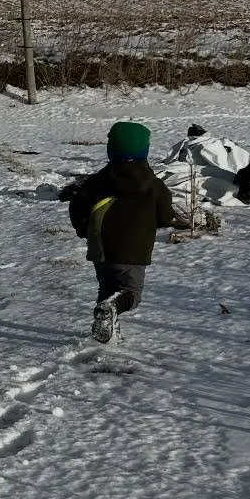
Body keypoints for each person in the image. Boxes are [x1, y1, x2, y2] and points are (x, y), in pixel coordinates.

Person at [62, 120, 182, 344]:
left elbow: (77, 206)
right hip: (133, 251)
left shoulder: (97, 181)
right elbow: (166, 217)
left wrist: (83, 230)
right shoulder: (154, 186)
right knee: (130, 294)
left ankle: (107, 335)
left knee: (107, 287)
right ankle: (111, 310)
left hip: (100, 248)